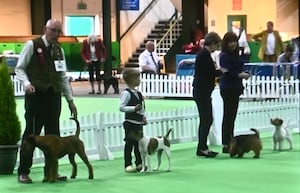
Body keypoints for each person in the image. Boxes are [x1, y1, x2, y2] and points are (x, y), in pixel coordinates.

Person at [15, 19, 78, 183]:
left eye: (59, 31)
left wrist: (70, 100)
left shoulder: (59, 50)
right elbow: (19, 68)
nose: (56, 34)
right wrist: (27, 84)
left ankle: (51, 173)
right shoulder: (32, 45)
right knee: (31, 136)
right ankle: (23, 172)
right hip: (36, 97)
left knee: (53, 137)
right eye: (53, 30)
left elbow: (63, 77)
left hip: (54, 98)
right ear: (45, 29)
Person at [193, 31, 225, 158]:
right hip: (202, 91)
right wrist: (221, 72)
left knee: (206, 119)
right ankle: (202, 147)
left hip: (202, 91)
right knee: (206, 119)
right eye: (217, 45)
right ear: (212, 43)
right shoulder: (204, 55)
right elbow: (209, 73)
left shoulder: (203, 54)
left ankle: (203, 146)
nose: (217, 48)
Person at [219, 32, 250, 153]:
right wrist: (240, 75)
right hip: (228, 88)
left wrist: (245, 72)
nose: (233, 44)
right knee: (228, 117)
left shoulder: (235, 54)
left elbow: (237, 68)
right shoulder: (224, 56)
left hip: (235, 88)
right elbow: (227, 72)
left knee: (232, 117)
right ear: (226, 43)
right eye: (230, 42)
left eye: (234, 41)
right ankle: (226, 143)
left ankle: (230, 142)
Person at [119, 68, 146, 172]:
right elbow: (121, 107)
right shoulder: (126, 94)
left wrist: (143, 116)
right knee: (129, 144)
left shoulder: (138, 93)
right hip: (130, 122)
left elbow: (142, 107)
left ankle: (139, 163)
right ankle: (128, 164)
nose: (139, 79)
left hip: (138, 122)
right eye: (137, 77)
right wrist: (133, 109)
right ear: (131, 79)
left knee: (139, 144)